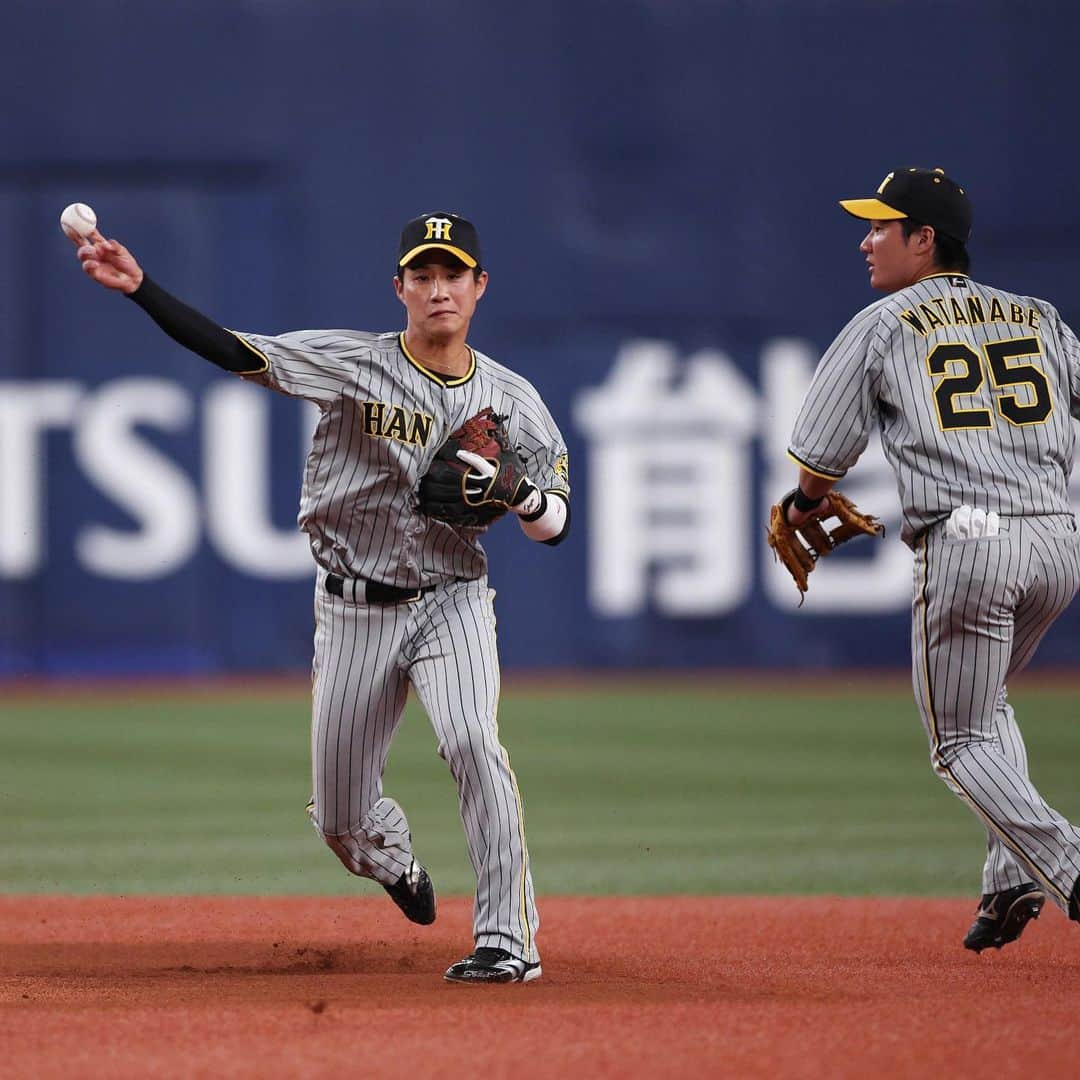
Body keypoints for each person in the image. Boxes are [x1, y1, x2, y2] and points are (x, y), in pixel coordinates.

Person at [71, 210, 571, 984]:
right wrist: (143, 289)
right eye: (423, 275)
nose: (439, 289)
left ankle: (509, 939)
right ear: (399, 287)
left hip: (452, 599)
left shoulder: (512, 399)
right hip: (352, 607)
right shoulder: (353, 362)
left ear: (480, 286)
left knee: (474, 743)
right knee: (340, 817)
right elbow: (240, 352)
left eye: (453, 275)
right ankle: (394, 862)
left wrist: (522, 496)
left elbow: (559, 525)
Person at [781, 167, 1080, 952]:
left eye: (883, 226)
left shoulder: (885, 323)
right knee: (988, 710)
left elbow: (818, 460)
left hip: (971, 543)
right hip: (1057, 541)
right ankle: (1010, 876)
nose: (866, 239)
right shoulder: (1038, 316)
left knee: (959, 742)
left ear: (926, 240)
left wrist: (801, 503)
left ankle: (1066, 864)